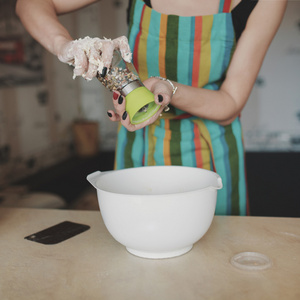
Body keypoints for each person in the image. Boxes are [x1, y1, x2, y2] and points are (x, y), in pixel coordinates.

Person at [16, 0, 287, 215]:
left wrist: (168, 88)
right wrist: (65, 46)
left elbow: (230, 104)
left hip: (211, 150)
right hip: (140, 142)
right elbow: (30, 3)